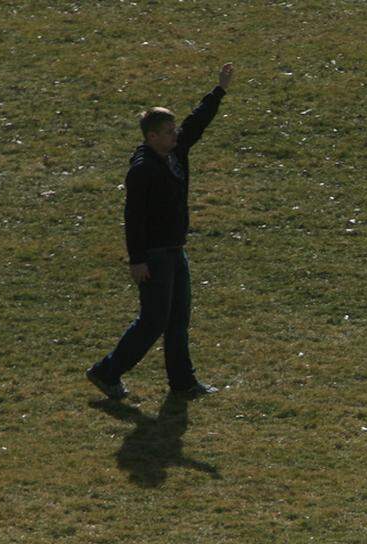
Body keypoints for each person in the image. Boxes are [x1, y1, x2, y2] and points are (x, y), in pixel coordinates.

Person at [87, 63, 235, 400]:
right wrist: (137, 260)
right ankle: (106, 372)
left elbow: (195, 125)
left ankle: (182, 383)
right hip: (154, 255)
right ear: (152, 137)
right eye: (168, 132)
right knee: (153, 321)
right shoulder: (142, 171)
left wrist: (219, 91)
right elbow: (133, 217)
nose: (175, 135)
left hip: (174, 249)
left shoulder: (174, 153)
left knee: (178, 318)